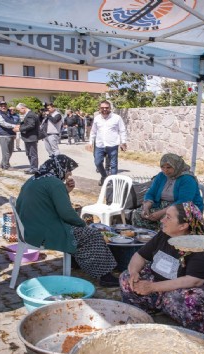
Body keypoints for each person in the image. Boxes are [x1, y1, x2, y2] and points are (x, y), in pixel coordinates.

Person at [16, 154, 119, 287]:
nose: (69, 174)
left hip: (29, 229)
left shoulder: (35, 178)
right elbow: (66, 213)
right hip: (42, 232)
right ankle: (105, 276)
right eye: (68, 170)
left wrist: (66, 191)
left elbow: (47, 201)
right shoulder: (54, 183)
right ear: (61, 168)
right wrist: (84, 225)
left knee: (77, 231)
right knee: (92, 234)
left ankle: (76, 262)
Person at [120, 202, 204, 334]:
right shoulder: (164, 234)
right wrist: (134, 272)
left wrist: (152, 287)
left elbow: (194, 281)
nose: (162, 220)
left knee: (186, 299)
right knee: (126, 278)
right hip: (159, 283)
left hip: (181, 289)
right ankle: (144, 315)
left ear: (183, 226)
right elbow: (140, 255)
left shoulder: (201, 246)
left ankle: (200, 336)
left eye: (168, 217)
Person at [132, 153, 204, 231]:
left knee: (166, 219)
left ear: (177, 166)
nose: (165, 170)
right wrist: (146, 206)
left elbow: (184, 202)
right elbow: (151, 193)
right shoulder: (161, 176)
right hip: (161, 206)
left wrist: (161, 213)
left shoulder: (187, 179)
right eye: (162, 167)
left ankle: (162, 241)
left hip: (184, 209)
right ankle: (146, 239)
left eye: (169, 167)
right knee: (138, 214)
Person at [87, 100, 127, 186]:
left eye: (106, 107)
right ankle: (104, 176)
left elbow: (122, 130)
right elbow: (93, 131)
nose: (104, 109)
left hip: (112, 145)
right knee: (97, 162)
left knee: (113, 165)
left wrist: (123, 142)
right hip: (100, 145)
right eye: (102, 108)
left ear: (110, 108)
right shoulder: (97, 118)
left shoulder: (117, 118)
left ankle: (113, 183)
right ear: (99, 108)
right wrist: (90, 142)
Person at [14, 103, 40, 174]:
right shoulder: (29, 114)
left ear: (23, 108)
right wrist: (20, 126)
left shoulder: (30, 115)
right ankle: (32, 167)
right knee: (29, 153)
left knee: (32, 154)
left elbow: (31, 125)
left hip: (31, 137)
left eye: (19, 110)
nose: (19, 112)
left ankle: (34, 169)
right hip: (29, 137)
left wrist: (19, 129)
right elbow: (28, 124)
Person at [0, 101, 17, 170]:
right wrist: (14, 126)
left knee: (10, 151)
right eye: (1, 105)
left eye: (5, 105)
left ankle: (3, 164)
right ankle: (6, 166)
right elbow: (3, 123)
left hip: (11, 134)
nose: (3, 107)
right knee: (6, 152)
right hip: (3, 135)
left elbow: (15, 119)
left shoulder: (9, 113)